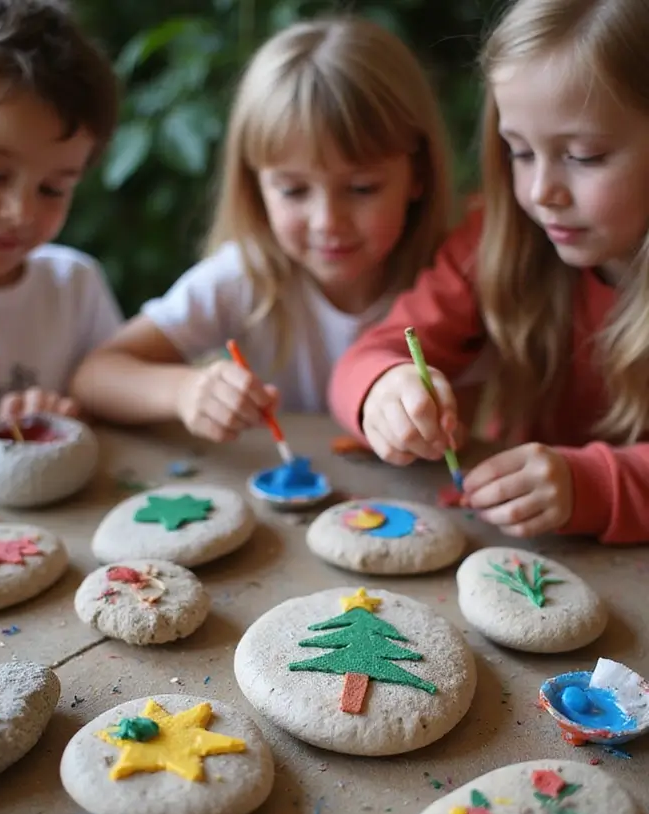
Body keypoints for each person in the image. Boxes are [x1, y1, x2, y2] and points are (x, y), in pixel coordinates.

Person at [329, 0, 649, 545]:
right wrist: (384, 391)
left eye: (583, 156)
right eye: (519, 152)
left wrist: (591, 485)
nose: (541, 191)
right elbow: (366, 358)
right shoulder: (497, 244)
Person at [71, 15, 454, 443]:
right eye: (293, 190)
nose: (327, 221)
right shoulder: (244, 278)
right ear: (255, 185)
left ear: (418, 174)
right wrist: (185, 391)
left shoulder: (454, 284)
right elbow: (95, 377)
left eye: (362, 188)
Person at [0, 0, 121, 456]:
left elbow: (109, 408)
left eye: (52, 189)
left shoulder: (74, 287)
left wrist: (69, 418)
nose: (20, 212)